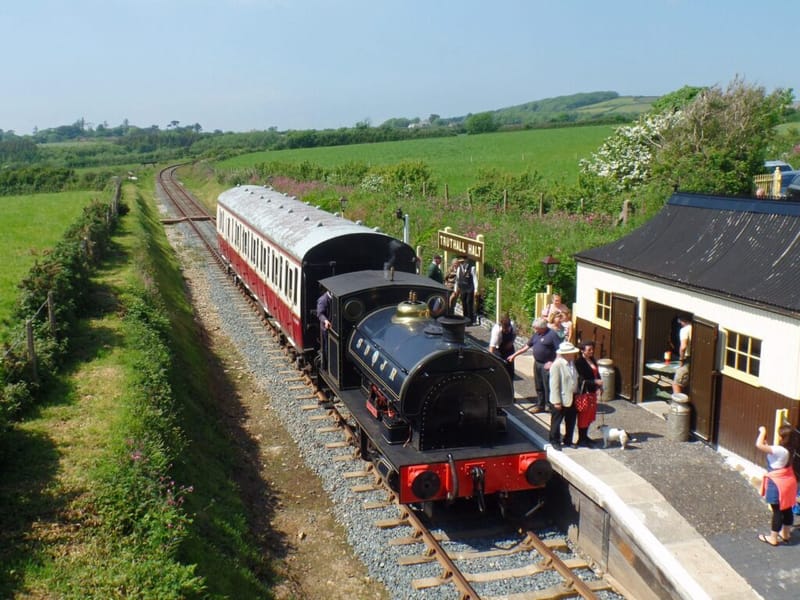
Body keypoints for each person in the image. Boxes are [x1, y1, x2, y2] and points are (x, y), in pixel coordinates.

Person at [755, 424, 797, 546]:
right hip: (788, 481)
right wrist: (767, 446)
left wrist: (762, 431)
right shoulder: (791, 448)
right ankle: (786, 533)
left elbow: (758, 445)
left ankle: (773, 537)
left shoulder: (779, 450)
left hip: (777, 483)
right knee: (787, 507)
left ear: (782, 437)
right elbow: (775, 454)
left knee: (777, 510)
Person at [508, 317, 560, 413]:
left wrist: (552, 363)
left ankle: (549, 405)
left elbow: (559, 351)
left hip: (547, 365)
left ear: (543, 327)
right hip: (537, 363)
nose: (535, 330)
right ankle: (540, 405)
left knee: (547, 385)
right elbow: (526, 347)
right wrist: (514, 355)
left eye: (536, 328)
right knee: (539, 385)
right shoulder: (537, 334)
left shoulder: (552, 335)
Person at [548, 341, 581, 450]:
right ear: (566, 354)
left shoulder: (572, 363)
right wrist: (557, 401)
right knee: (557, 421)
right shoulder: (557, 365)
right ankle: (554, 440)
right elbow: (554, 385)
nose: (574, 354)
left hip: (572, 397)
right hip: (561, 399)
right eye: (572, 353)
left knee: (571, 420)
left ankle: (568, 440)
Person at [574, 340, 603, 447]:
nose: (591, 351)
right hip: (584, 393)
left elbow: (597, 373)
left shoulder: (592, 360)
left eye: (592, 349)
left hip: (592, 392)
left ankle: (585, 436)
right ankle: (581, 439)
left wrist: (599, 386)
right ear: (582, 351)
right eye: (589, 350)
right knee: (583, 416)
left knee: (589, 416)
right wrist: (594, 382)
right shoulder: (579, 362)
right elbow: (581, 380)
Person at [489, 314, 516, 379]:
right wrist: (490, 360)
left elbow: (515, 334)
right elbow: (491, 348)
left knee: (510, 371)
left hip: (509, 350)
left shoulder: (512, 325)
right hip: (498, 350)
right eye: (505, 330)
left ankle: (510, 385)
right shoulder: (496, 330)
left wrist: (511, 342)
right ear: (501, 327)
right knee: (500, 371)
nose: (506, 332)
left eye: (508, 330)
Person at [454, 257, 478, 325]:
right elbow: (457, 280)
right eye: (460, 262)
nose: (461, 263)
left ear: (466, 261)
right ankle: (465, 319)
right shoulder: (459, 269)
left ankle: (470, 320)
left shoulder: (472, 268)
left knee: (469, 303)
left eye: (462, 262)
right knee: (464, 303)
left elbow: (475, 279)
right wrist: (455, 289)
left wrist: (476, 289)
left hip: (470, 288)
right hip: (462, 289)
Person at [672, 316, 692, 394]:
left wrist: (681, 359)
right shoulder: (695, 328)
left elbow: (683, 347)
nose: (679, 323)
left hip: (687, 360)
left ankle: (678, 405)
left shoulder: (684, 330)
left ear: (682, 320)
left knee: (676, 384)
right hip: (695, 359)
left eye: (679, 321)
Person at [316, 289, 333, 369]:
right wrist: (326, 321)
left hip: (332, 326)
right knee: (327, 346)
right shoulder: (323, 300)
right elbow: (320, 314)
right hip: (326, 328)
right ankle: (327, 365)